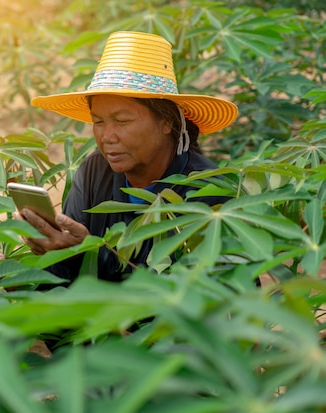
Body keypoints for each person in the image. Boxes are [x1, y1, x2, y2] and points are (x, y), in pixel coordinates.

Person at [15, 31, 238, 283]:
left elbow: (191, 298)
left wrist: (82, 256)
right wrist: (51, 249)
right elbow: (64, 277)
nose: (107, 136)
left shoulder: (209, 190)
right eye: (98, 122)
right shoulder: (94, 170)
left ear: (166, 122)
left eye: (122, 121)